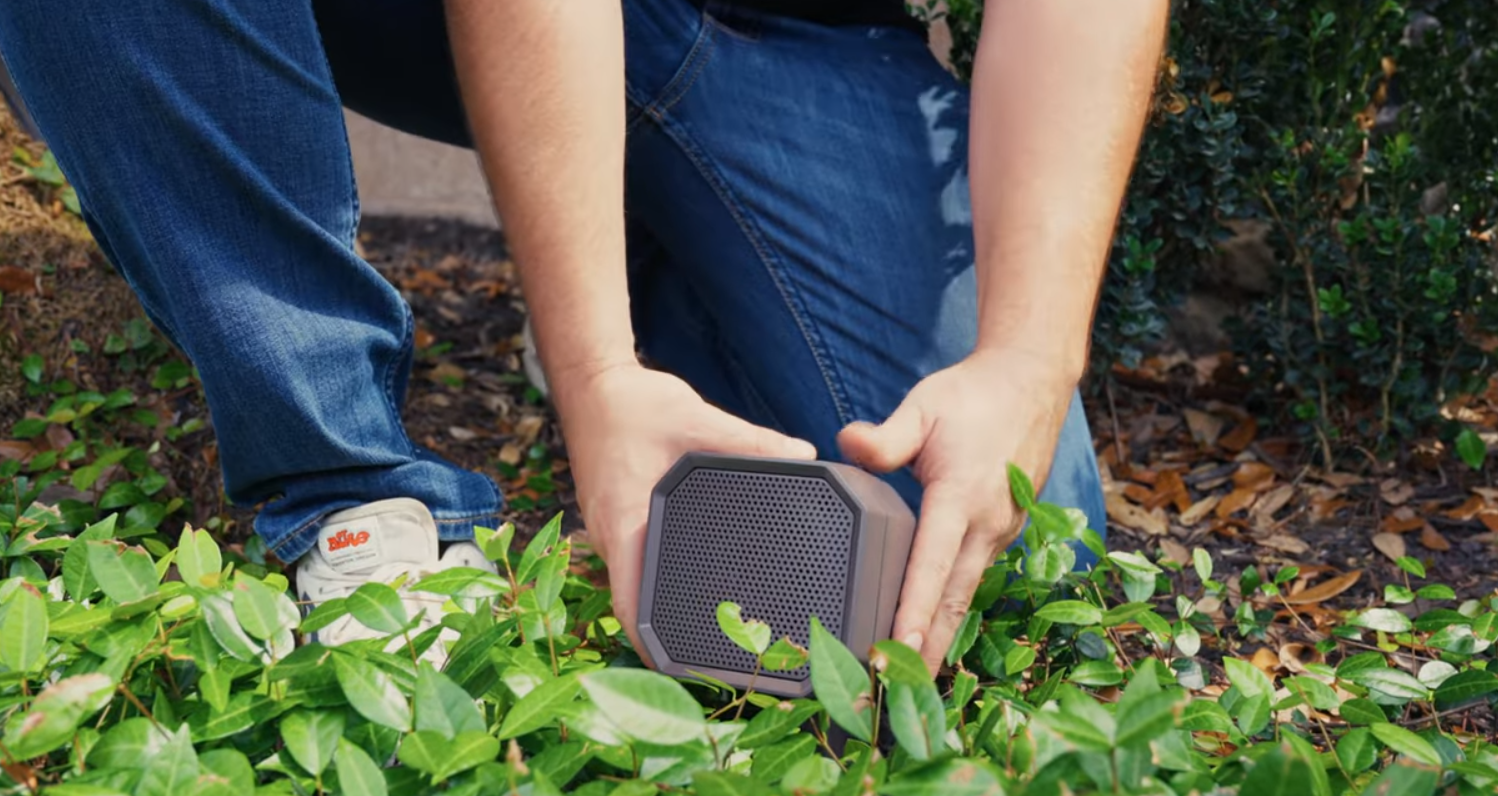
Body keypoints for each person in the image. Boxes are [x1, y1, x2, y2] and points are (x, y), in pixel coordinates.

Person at [0, 0, 1167, 672]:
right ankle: (348, 481)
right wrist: (591, 366)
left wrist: (1026, 352)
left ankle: (670, 240)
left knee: (1012, 547)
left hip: (795, 31)